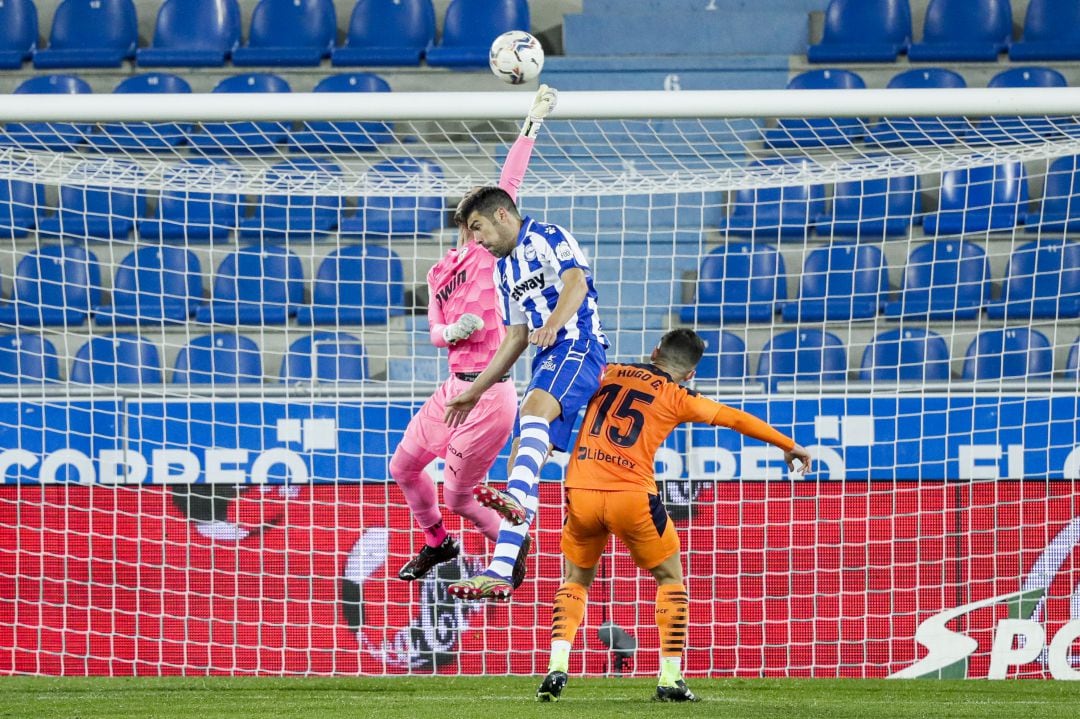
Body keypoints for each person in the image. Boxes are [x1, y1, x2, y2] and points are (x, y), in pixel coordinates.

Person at [534, 328, 812, 703]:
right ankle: (669, 678)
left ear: (654, 350)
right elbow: (735, 419)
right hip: (632, 498)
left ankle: (557, 665)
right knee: (669, 578)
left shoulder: (607, 371)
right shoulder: (678, 395)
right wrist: (789, 445)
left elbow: (560, 389)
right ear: (692, 373)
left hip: (580, 491)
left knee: (576, 579)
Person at [390, 85, 558, 587]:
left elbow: (509, 182)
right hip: (450, 388)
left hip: (489, 394)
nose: (474, 232)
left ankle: (513, 538)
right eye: (468, 224)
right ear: (459, 226)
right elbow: (434, 333)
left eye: (478, 224)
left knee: (460, 496)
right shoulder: (439, 272)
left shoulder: (490, 254)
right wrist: (451, 330)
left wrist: (530, 123)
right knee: (403, 467)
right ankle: (438, 544)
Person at [443, 165, 610, 602]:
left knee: (532, 413)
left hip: (579, 344)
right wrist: (475, 390)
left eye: (477, 228)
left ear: (502, 215)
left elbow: (577, 283)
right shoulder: (502, 273)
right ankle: (501, 569)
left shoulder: (548, 236)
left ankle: (516, 506)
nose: (475, 240)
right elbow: (515, 339)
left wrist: (554, 325)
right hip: (545, 358)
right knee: (522, 458)